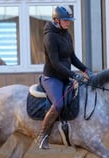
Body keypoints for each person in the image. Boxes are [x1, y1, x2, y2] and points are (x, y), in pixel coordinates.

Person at [36, 6, 94, 149]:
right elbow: (55, 63)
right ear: (56, 20)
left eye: (69, 20)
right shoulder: (49, 37)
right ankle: (42, 135)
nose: (68, 23)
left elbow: (72, 57)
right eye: (65, 20)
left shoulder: (67, 34)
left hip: (64, 77)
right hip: (52, 78)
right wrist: (74, 75)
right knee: (59, 104)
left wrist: (85, 69)